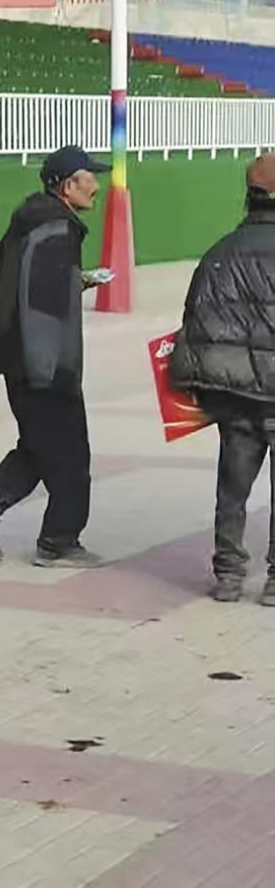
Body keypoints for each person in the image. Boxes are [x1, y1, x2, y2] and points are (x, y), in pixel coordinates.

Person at [0, 144, 111, 569]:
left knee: (41, 445)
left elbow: (31, 285)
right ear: (68, 186)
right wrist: (49, 370)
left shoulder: (35, 221)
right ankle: (58, 542)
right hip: (43, 362)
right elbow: (38, 306)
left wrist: (74, 281)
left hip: (23, 356)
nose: (95, 186)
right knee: (70, 453)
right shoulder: (55, 228)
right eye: (89, 179)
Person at [169, 151, 275, 604]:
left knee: (232, 490)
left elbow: (194, 324)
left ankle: (229, 575)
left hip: (234, 397)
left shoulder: (219, 252)